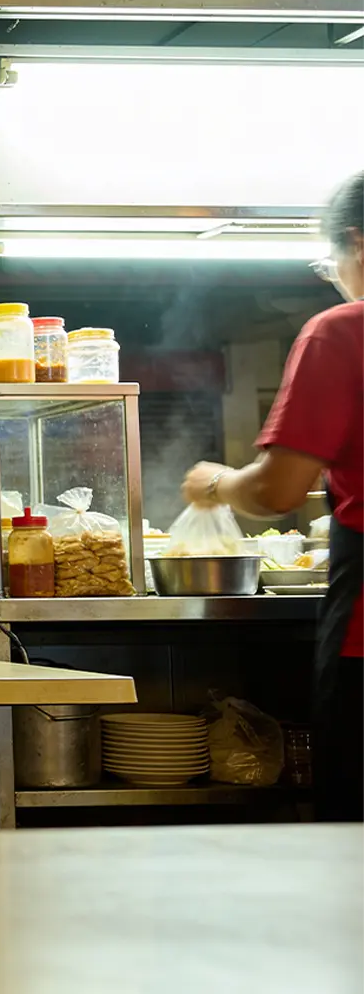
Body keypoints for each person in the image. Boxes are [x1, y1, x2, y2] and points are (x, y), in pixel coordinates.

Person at [182, 170, 363, 822]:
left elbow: (280, 489)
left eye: (330, 263)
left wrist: (215, 484)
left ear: (355, 242)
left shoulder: (342, 332)